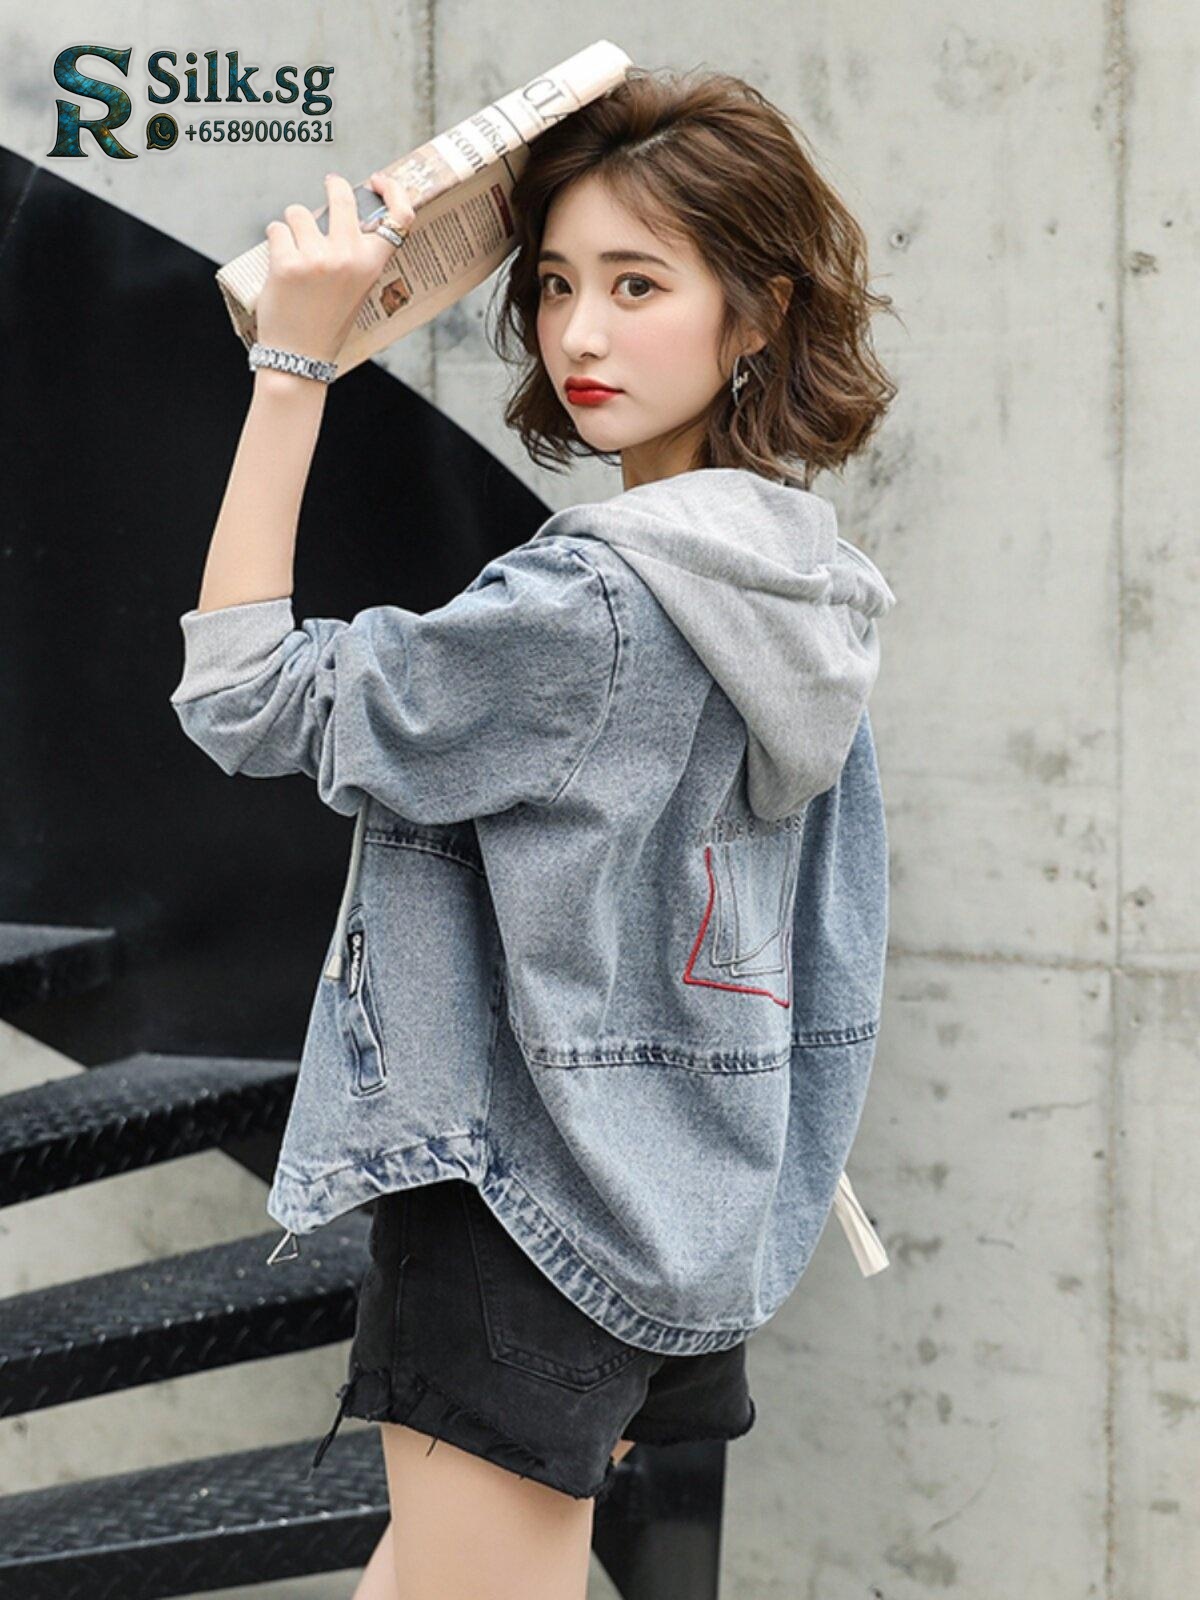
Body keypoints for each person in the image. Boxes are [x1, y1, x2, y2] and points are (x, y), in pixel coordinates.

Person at [169, 64, 899, 1600]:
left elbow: (242, 696)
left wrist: (294, 368)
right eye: (558, 283)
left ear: (756, 314)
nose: (578, 333)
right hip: (689, 1205)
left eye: (638, 284)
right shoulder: (807, 592)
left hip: (527, 1227)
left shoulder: (588, 606)